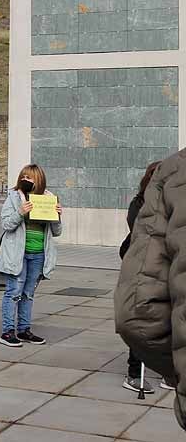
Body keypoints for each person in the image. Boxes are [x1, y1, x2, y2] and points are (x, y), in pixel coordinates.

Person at [117, 161, 175, 395]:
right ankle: (134, 374)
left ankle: (168, 370)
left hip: (167, 266)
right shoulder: (139, 204)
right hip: (144, 267)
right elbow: (141, 230)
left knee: (169, 318)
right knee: (143, 319)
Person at [0, 164, 62, 347]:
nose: (26, 180)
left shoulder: (48, 199)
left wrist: (57, 216)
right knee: (13, 292)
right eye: (23, 176)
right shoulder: (14, 197)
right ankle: (7, 331)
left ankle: (24, 330)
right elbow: (6, 224)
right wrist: (20, 212)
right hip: (17, 253)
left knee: (28, 293)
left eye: (30, 177)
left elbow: (56, 232)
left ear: (39, 180)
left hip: (38, 253)